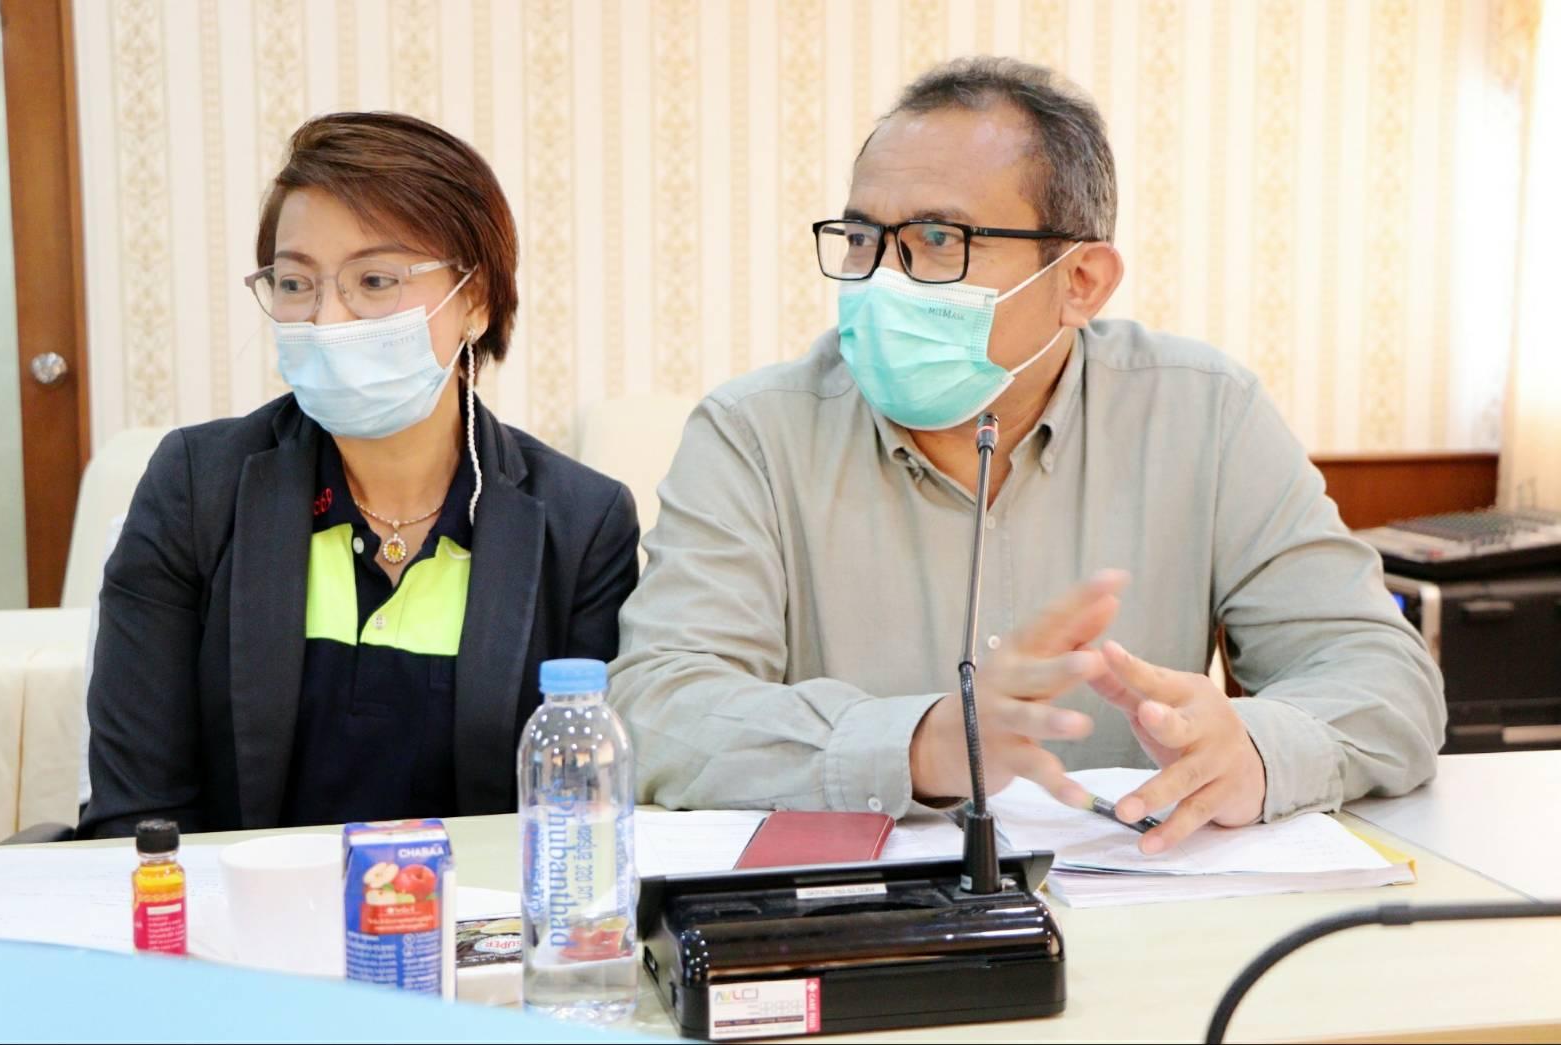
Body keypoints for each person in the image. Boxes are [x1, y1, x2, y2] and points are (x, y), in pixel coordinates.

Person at [608, 57, 1444, 854]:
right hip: (870, 920)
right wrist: (918, 745)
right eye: (862, 238)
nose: (879, 279)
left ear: (1080, 281)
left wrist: (1253, 751)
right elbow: (656, 706)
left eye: (938, 237)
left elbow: (1382, 677)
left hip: (1154, 898)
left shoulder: (1206, 412)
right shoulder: (752, 432)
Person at [80, 113, 639, 838]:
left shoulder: (582, 525)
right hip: (242, 904)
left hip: (477, 909)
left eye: (374, 280)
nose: (328, 320)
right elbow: (137, 814)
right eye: (295, 282)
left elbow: (583, 816)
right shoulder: (197, 488)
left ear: (475, 299)